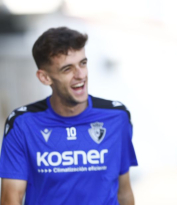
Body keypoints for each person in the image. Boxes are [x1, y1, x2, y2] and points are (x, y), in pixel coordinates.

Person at [0, 27, 138, 205]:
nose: (80, 75)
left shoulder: (117, 117)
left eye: (83, 63)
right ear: (45, 78)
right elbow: (11, 198)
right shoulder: (22, 124)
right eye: (67, 69)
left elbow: (124, 192)